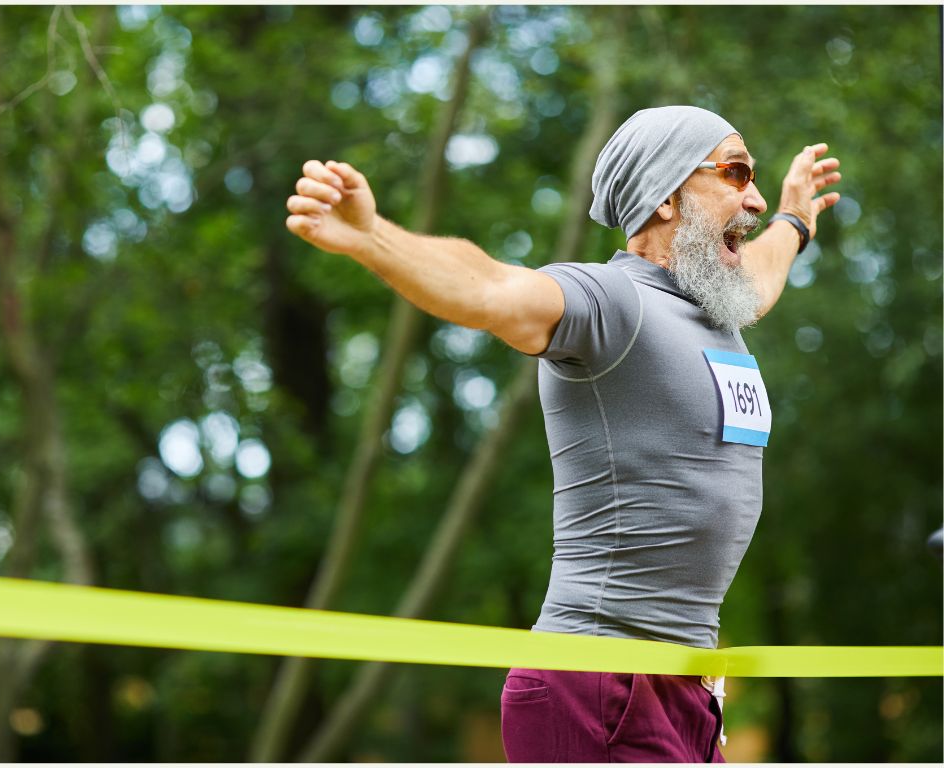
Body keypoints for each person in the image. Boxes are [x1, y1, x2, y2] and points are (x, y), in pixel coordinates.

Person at [285, 105, 841, 763]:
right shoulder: (612, 303)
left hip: (685, 693)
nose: (752, 195)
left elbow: (765, 276)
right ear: (665, 196)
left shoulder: (717, 310)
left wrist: (796, 219)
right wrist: (372, 235)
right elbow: (491, 289)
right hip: (598, 685)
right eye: (736, 171)